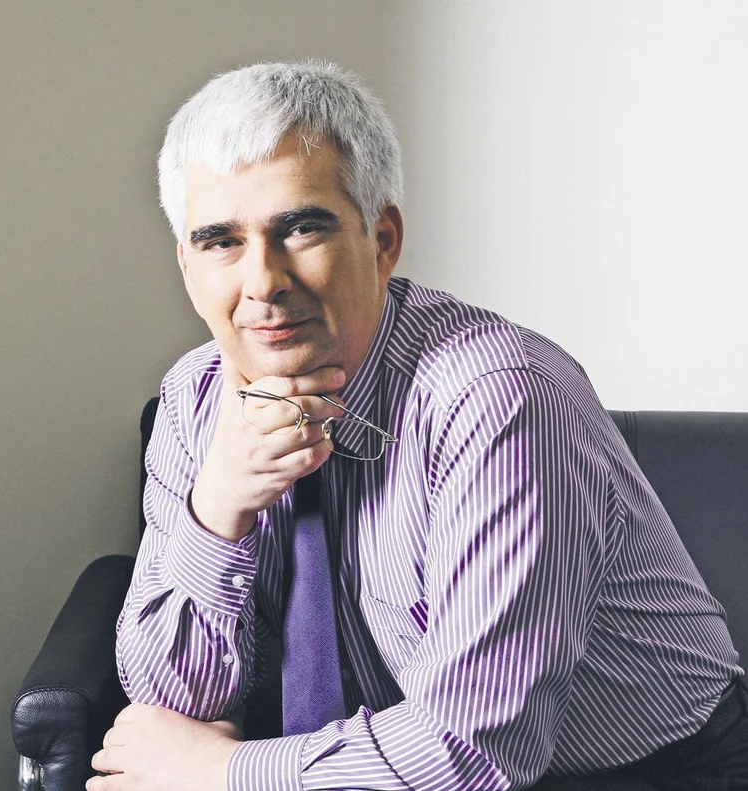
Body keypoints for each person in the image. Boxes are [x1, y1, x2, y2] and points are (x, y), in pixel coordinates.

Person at [87, 61, 746, 791]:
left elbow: (473, 750)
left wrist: (223, 770)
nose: (263, 281)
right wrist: (217, 509)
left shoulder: (500, 399)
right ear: (187, 265)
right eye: (220, 241)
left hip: (650, 771)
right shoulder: (194, 396)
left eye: (300, 228)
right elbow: (173, 700)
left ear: (383, 239)